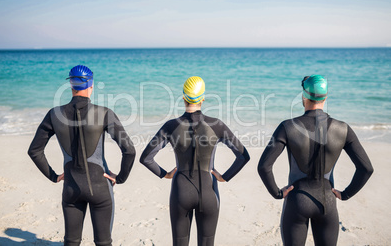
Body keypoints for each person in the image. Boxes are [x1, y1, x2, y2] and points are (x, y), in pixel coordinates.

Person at [258, 75, 374, 246]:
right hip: (327, 201)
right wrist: (346, 194)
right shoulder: (343, 128)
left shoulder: (287, 127)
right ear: (326, 96)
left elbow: (264, 166)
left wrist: (277, 193)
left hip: (297, 200)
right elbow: (366, 168)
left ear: (303, 96)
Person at [28, 65, 136, 246]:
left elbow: (34, 151)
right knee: (103, 242)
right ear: (91, 86)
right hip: (100, 187)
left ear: (71, 85)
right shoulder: (104, 113)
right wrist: (121, 177)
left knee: (71, 241)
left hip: (71, 188)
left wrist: (54, 176)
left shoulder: (54, 114)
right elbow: (130, 150)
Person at [140, 76, 250, 246]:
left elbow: (146, 158)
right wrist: (224, 177)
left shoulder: (170, 126)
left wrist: (165, 174)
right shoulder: (217, 125)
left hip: (180, 192)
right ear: (203, 98)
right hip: (209, 191)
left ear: (183, 97)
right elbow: (243, 156)